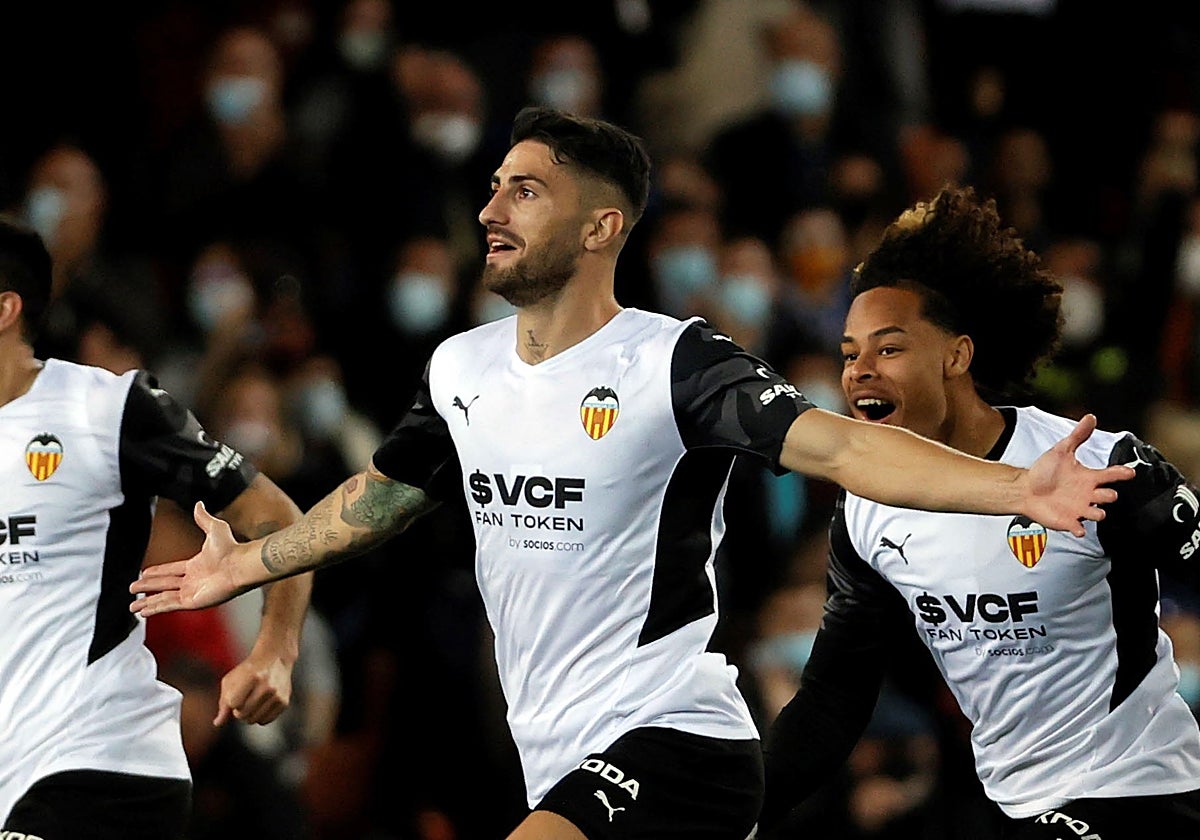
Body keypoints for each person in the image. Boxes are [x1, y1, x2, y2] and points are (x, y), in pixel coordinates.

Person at [130, 108, 1131, 840]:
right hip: (550, 747)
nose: (491, 209)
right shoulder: (461, 367)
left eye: (526, 191)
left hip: (676, 739)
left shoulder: (675, 362)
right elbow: (381, 498)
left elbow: (841, 445)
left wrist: (1013, 488)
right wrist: (252, 560)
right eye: (492, 188)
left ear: (603, 227)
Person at [756, 185, 1200, 839]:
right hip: (1010, 803)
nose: (859, 373)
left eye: (889, 348)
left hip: (1139, 790)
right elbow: (834, 699)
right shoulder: (867, 511)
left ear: (957, 356)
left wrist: (1168, 518)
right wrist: (735, 810)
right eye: (849, 354)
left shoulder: (1094, 463)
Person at [0, 217, 313, 839]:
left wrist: (276, 650)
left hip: (100, 761)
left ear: (5, 308)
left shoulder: (105, 409)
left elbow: (278, 516)